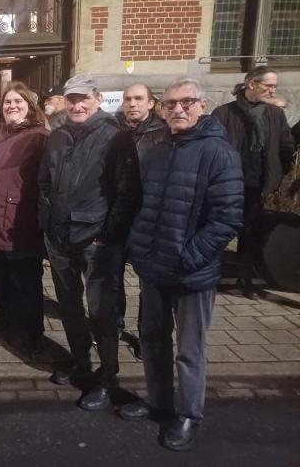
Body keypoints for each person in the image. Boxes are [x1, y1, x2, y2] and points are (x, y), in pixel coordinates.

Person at [122, 77, 243, 452]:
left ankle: (189, 414)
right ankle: (159, 402)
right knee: (153, 340)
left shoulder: (218, 153)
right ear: (161, 109)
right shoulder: (156, 150)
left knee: (189, 350)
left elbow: (227, 218)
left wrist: (190, 256)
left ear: (202, 106)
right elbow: (143, 204)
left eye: (187, 102)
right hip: (154, 266)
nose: (178, 109)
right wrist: (138, 249)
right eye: (171, 104)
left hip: (193, 273)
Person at [38, 74, 141, 410]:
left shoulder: (115, 137)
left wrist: (106, 237)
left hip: (95, 242)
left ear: (97, 98)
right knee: (69, 307)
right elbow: (43, 184)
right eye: (71, 99)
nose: (77, 105)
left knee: (102, 313)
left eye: (83, 98)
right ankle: (80, 362)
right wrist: (46, 226)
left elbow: (127, 194)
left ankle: (108, 377)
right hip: (59, 238)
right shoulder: (57, 137)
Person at [0, 81, 49, 353]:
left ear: (29, 106)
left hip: (19, 224)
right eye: (7, 102)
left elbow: (45, 184)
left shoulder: (39, 137)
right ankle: (7, 321)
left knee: (25, 283)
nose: (12, 106)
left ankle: (31, 332)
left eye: (18, 102)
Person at [211, 66, 294, 297]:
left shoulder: (274, 114)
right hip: (229, 185)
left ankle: (245, 279)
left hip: (261, 185)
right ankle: (213, 276)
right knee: (221, 230)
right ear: (251, 85)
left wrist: (281, 176)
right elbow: (213, 148)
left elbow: (286, 146)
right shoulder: (224, 113)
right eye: (269, 86)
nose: (273, 91)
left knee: (252, 233)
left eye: (275, 86)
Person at [114, 84, 170, 332]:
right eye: (128, 99)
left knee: (147, 280)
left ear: (151, 103)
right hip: (116, 215)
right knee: (113, 278)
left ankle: (145, 331)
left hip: (147, 218)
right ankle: (114, 324)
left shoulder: (164, 134)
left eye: (138, 99)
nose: (132, 103)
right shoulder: (113, 131)